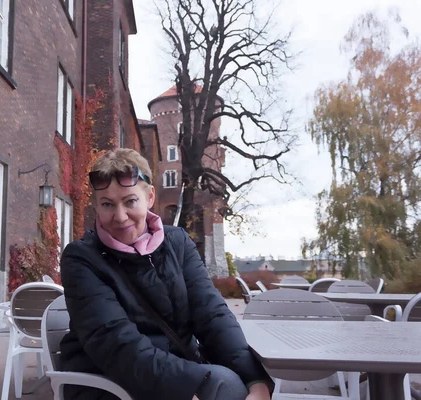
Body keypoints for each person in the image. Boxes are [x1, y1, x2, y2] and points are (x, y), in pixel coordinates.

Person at [59, 148, 273, 400]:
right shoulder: (81, 258)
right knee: (224, 385)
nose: (119, 216)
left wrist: (255, 379)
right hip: (105, 380)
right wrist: (182, 389)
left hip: (174, 366)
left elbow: (211, 313)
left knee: (238, 384)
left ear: (149, 197)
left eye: (130, 201)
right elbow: (114, 341)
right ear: (96, 205)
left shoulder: (177, 243)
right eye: (107, 204)